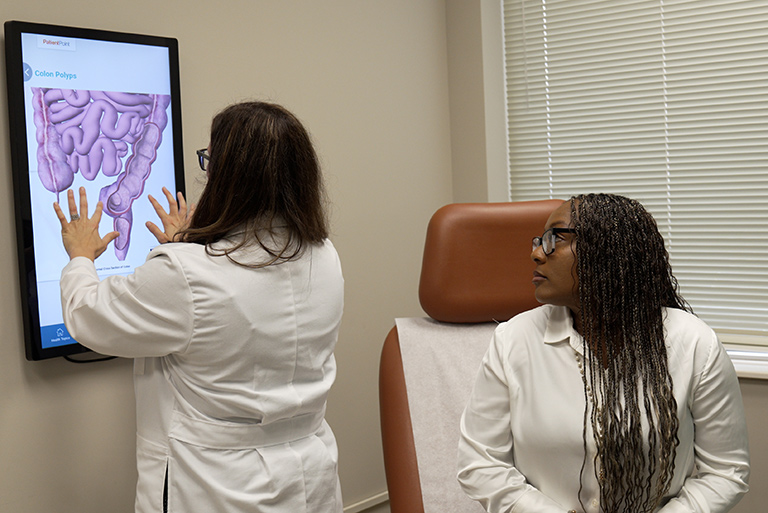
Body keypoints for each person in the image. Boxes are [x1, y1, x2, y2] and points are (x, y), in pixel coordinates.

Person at [53, 101, 344, 513]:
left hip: (217, 486)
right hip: (308, 477)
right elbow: (241, 310)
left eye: (210, 161)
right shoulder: (324, 255)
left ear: (229, 177)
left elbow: (88, 316)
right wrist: (187, 250)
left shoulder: (186, 275)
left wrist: (81, 256)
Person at [457, 193, 749, 513]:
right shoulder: (512, 340)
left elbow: (725, 471)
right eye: (539, 241)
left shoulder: (695, 344)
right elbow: (481, 464)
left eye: (555, 239)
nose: (536, 253)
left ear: (607, 250)